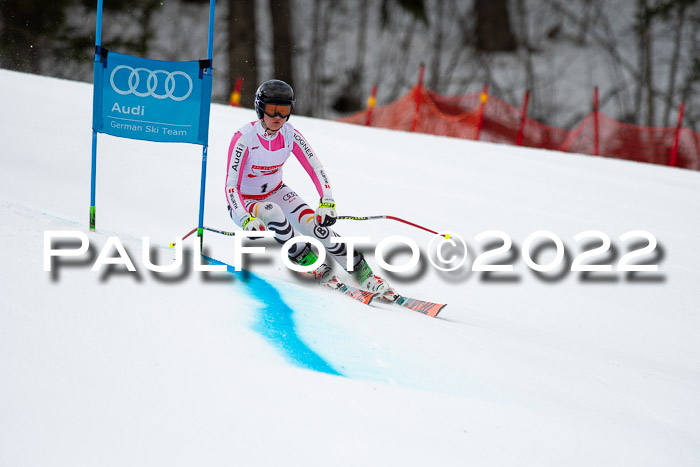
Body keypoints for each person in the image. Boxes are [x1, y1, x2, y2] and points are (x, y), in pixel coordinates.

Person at [225, 79, 397, 301]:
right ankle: (305, 259)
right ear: (260, 109)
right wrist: (245, 218)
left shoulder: (290, 134)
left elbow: (315, 167)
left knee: (316, 226)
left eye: (284, 111)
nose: (278, 117)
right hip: (244, 202)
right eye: (272, 110)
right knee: (273, 212)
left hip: (277, 191)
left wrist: (327, 201)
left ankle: (364, 274)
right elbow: (231, 187)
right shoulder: (244, 138)